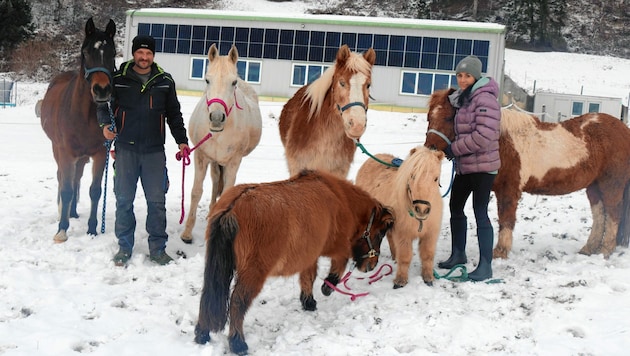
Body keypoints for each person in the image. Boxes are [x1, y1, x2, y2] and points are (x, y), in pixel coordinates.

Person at [98, 35, 190, 266]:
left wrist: (182, 141)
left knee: (157, 202)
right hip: (126, 150)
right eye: (140, 52)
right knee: (124, 201)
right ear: (133, 53)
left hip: (154, 152)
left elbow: (174, 115)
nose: (144, 57)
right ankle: (124, 247)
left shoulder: (164, 81)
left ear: (153, 56)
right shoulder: (118, 79)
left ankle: (158, 249)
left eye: (149, 53)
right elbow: (103, 105)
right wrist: (105, 126)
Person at [437, 55, 501, 281]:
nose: (462, 80)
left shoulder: (485, 100)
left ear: (477, 77)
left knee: (480, 212)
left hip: (483, 167)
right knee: (455, 207)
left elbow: (483, 136)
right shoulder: (464, 99)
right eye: (459, 75)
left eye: (467, 76)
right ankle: (458, 254)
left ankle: (485, 265)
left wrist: (454, 149)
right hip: (465, 165)